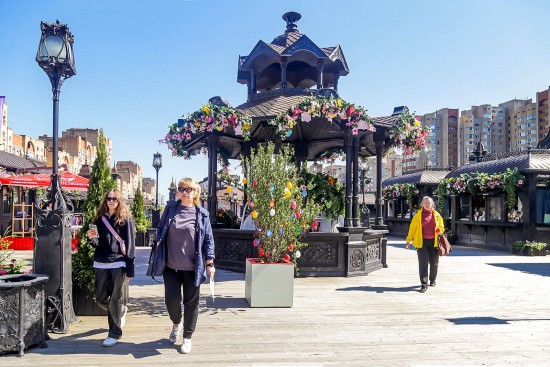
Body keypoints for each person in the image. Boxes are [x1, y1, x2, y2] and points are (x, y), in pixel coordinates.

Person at [155, 177, 215, 354]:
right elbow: (160, 229)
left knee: (191, 303)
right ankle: (176, 323)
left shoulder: (202, 214)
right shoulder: (171, 208)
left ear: (196, 192)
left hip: (192, 267)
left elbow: (208, 239)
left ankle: (187, 337)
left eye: (188, 189)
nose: (184, 192)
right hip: (171, 266)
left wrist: (210, 262)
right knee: (171, 300)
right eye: (181, 188)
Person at [87, 188, 135, 347]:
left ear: (119, 201)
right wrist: (90, 238)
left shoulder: (125, 219)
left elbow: (130, 244)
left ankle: (114, 333)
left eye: (115, 198)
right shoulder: (99, 220)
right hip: (100, 261)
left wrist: (130, 268)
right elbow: (96, 243)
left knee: (114, 297)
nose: (111, 201)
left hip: (118, 262)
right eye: (109, 198)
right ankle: (119, 310)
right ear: (105, 201)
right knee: (100, 297)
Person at [405, 196, 445, 293]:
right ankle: (424, 284)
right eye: (425, 202)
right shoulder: (417, 215)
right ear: (422, 204)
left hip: (434, 242)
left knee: (434, 262)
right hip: (421, 242)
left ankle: (432, 279)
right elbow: (412, 229)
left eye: (429, 203)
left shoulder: (437, 215)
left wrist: (439, 229)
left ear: (432, 204)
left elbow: (442, 227)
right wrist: (408, 241)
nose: (427, 204)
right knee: (423, 263)